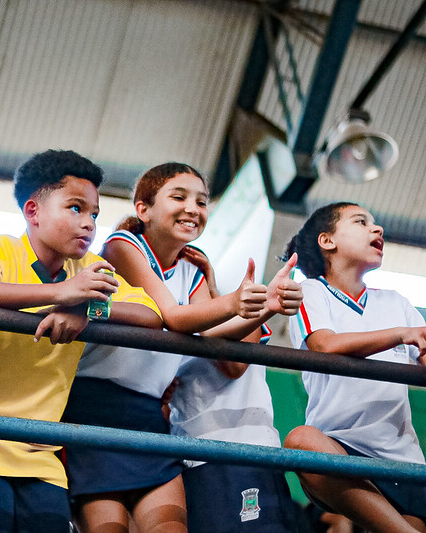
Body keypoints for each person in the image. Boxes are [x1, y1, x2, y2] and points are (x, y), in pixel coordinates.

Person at [0, 149, 163, 533]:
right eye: (75, 208)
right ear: (33, 212)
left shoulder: (91, 270)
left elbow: (150, 315)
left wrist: (87, 311)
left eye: (95, 214)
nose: (88, 223)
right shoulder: (1, 250)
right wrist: (63, 293)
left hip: (43, 449)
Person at [62, 162, 302, 533]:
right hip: (94, 407)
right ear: (143, 209)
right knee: (108, 526)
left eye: (202, 202)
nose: (193, 208)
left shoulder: (192, 269)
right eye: (179, 197)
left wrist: (265, 306)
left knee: (170, 526)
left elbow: (218, 337)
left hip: (150, 415)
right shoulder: (123, 246)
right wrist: (233, 301)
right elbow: (170, 316)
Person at [284, 202, 426, 533]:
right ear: (327, 241)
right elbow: (325, 344)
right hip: (341, 454)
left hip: (402, 460)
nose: (377, 230)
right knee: (301, 440)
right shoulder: (311, 291)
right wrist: (400, 334)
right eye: (361, 222)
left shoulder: (397, 302)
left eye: (376, 224)